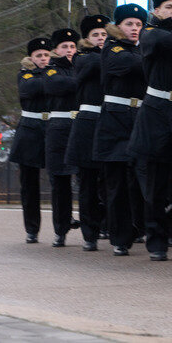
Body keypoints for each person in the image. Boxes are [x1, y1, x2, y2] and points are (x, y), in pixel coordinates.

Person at [126, 0, 172, 261]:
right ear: (156, 10)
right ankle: (156, 240)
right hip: (156, 110)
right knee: (155, 177)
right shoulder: (151, 33)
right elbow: (170, 43)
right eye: (168, 7)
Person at [93, 4, 148, 256]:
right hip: (115, 120)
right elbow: (133, 65)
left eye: (138, 24)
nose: (134, 28)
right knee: (116, 184)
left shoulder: (142, 48)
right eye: (129, 24)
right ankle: (120, 236)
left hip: (140, 117)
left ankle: (143, 226)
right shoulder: (112, 48)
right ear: (118, 27)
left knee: (141, 179)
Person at [65, 15, 109, 251]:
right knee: (89, 182)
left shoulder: (112, 54)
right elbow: (96, 65)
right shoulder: (83, 58)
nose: (101, 38)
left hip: (111, 119)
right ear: (87, 39)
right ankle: (89, 232)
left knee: (111, 179)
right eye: (96, 35)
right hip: (89, 122)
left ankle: (110, 225)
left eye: (104, 34)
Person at [9, 37, 52, 244]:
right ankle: (32, 228)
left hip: (53, 128)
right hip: (30, 131)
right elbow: (30, 88)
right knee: (29, 184)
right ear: (31, 58)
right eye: (39, 56)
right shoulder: (25, 74)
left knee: (60, 180)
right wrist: (53, 78)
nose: (43, 59)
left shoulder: (57, 72)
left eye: (46, 55)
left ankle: (64, 221)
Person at [43, 28, 80, 247]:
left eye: (72, 46)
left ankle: (95, 225)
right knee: (60, 182)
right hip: (59, 128)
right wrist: (82, 81)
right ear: (55, 50)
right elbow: (56, 85)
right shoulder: (50, 70)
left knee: (87, 179)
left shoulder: (82, 65)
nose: (69, 50)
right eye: (64, 47)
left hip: (81, 124)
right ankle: (61, 228)